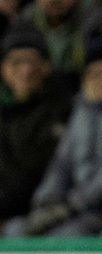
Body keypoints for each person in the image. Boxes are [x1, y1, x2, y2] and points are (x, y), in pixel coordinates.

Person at [5, 34, 102, 237]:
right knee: (15, 230)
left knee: (65, 236)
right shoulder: (79, 112)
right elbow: (61, 162)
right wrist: (46, 199)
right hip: (71, 207)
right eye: (95, 74)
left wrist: (73, 203)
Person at [0, 22, 71, 229]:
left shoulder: (60, 110)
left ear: (46, 66)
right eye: (16, 63)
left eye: (32, 62)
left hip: (38, 211)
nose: (25, 71)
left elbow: (36, 172)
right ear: (3, 69)